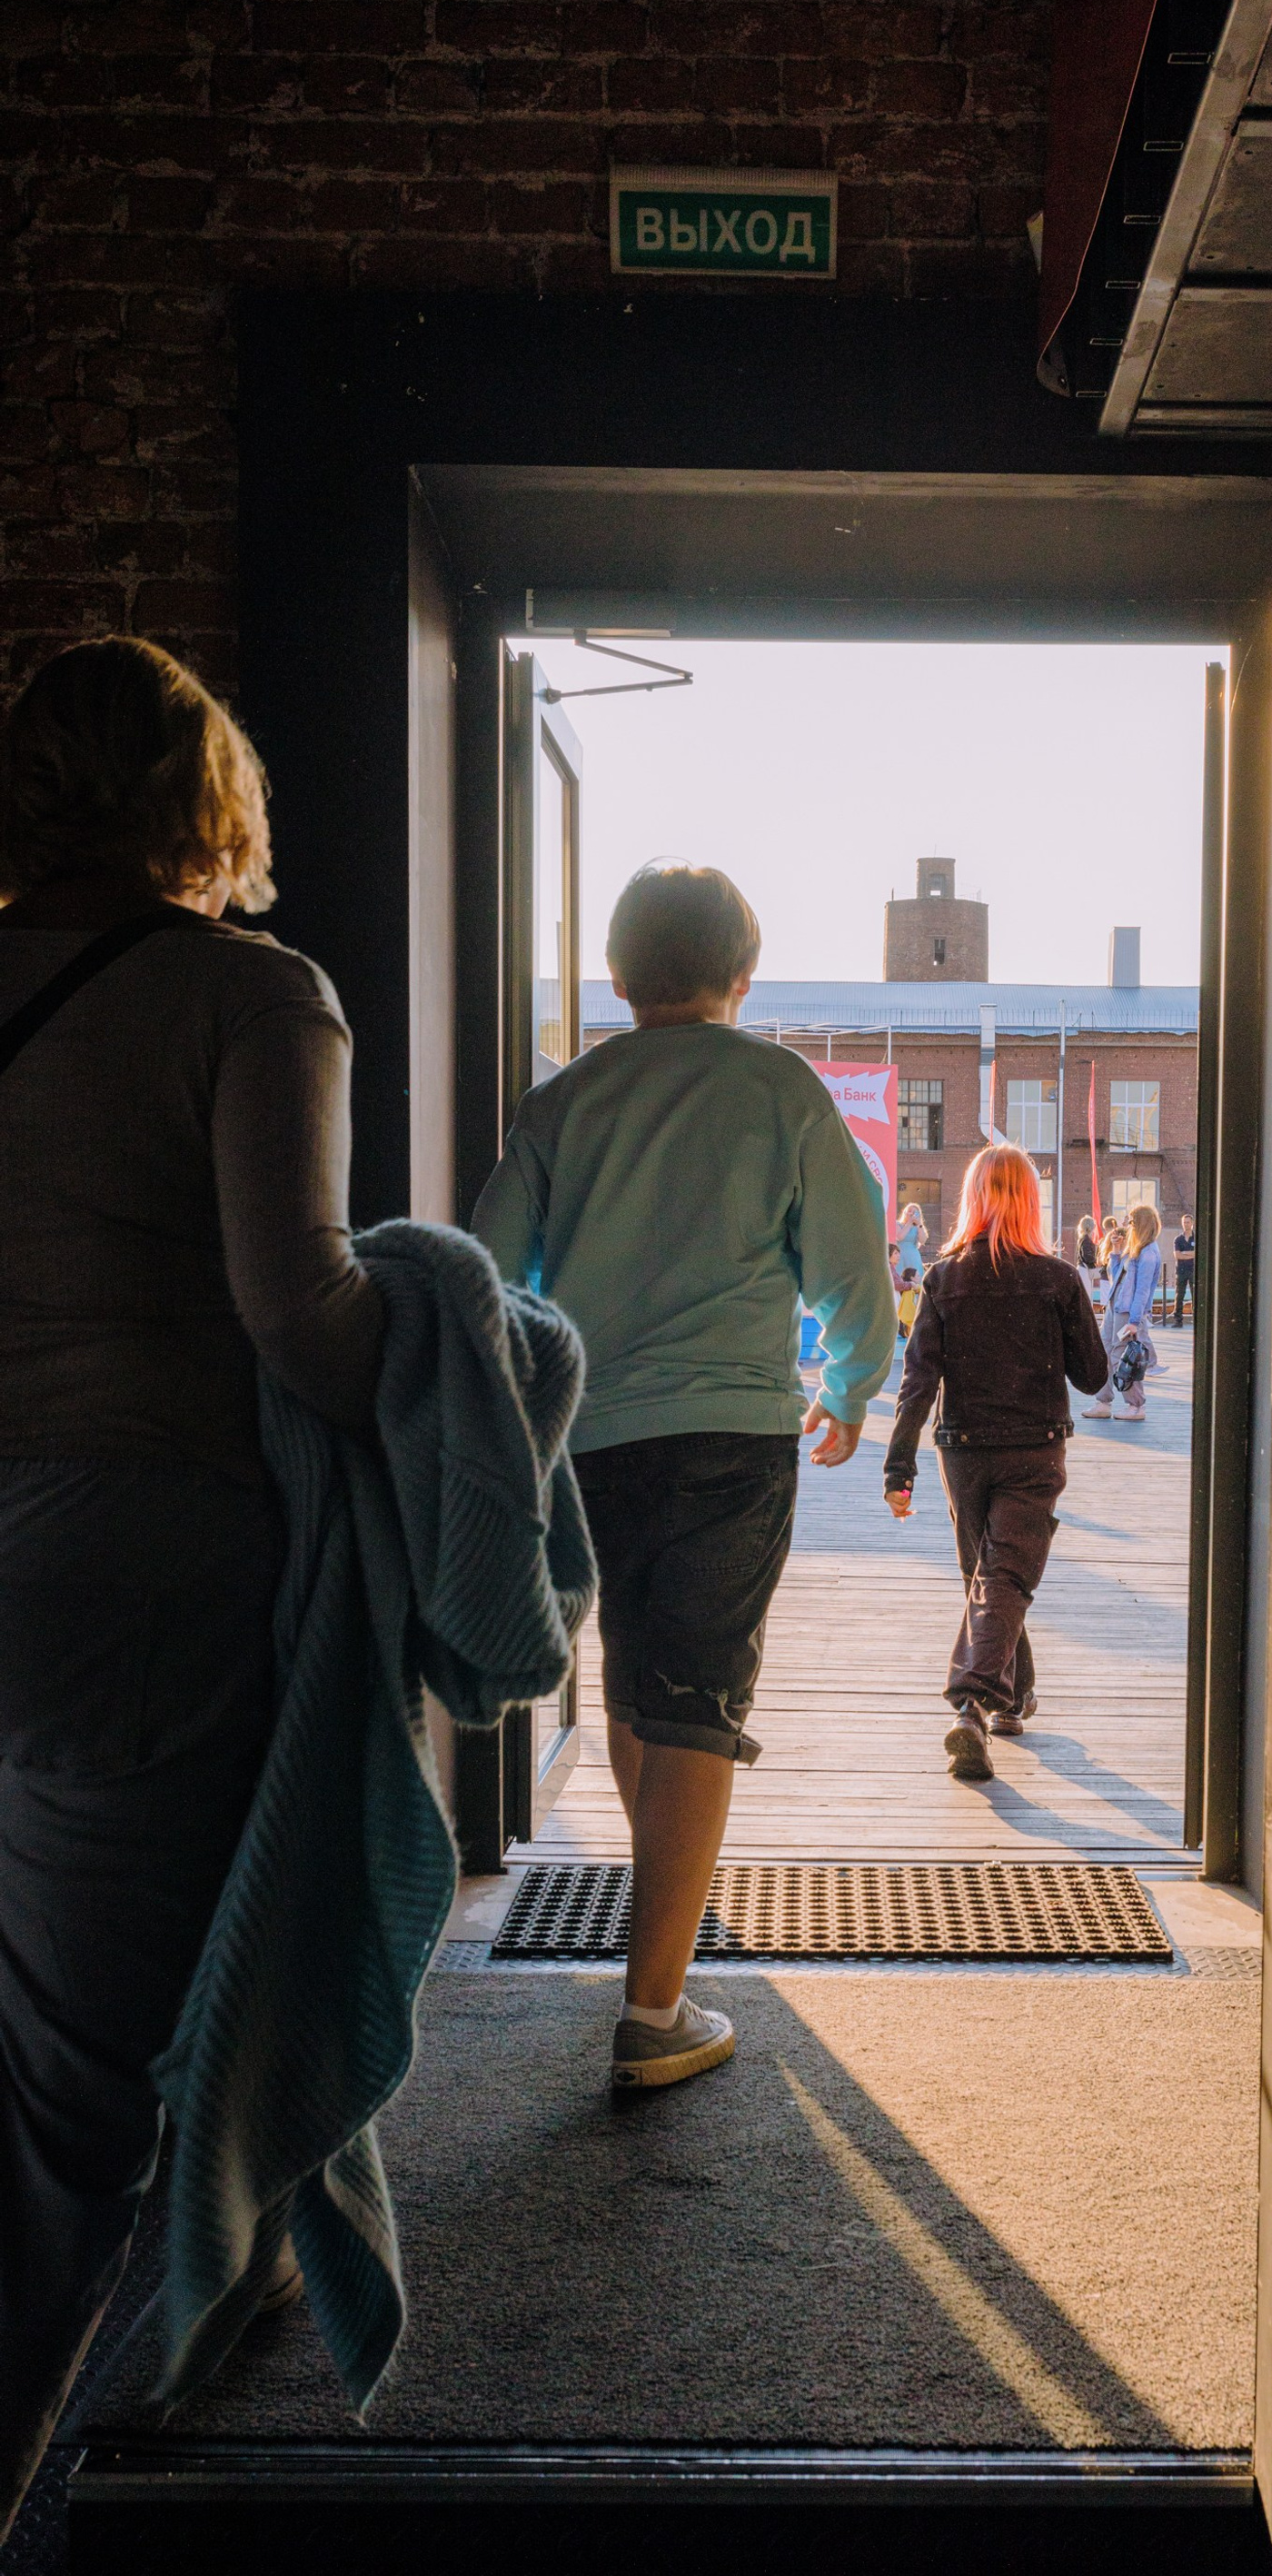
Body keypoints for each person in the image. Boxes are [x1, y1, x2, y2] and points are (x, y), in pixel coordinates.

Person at [0, 637, 383, 2539]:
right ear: (204, 798)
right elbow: (302, 1321)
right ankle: (45, 2475)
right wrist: (470, 1333)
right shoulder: (252, 996)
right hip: (124, 1554)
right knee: (88, 2076)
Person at [474, 863, 894, 2090]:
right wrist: (853, 1387)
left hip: (588, 1434)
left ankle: (661, 1944)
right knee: (697, 1694)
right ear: (740, 975)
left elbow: (485, 1270)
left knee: (630, 1674)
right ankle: (654, 2008)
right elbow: (851, 1272)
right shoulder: (780, 1089)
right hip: (730, 1435)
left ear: (618, 974)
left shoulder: (565, 1104)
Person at [883, 1145, 1106, 1782]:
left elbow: (917, 1383)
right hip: (1034, 1449)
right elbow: (1092, 1378)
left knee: (989, 1575)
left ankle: (1013, 1699)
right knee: (1003, 1576)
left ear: (973, 1198)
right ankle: (972, 1708)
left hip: (964, 1451)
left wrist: (897, 1468)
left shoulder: (944, 1277)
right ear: (1030, 1200)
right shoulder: (1058, 1278)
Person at [1083, 1202, 1164, 1423]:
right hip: (1115, 1308)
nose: (1128, 1225)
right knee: (1104, 1353)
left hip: (1128, 1313)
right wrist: (1116, 1253)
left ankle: (1136, 1405)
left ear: (1141, 1224)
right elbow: (1115, 1275)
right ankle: (1103, 1402)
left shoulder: (1148, 1253)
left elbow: (1143, 1290)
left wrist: (1135, 1321)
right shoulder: (1135, 1249)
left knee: (1124, 1358)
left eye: (1131, 1221)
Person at [895, 1200, 929, 1281]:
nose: (912, 1213)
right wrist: (909, 1222)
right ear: (905, 1212)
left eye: (915, 1212)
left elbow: (923, 1240)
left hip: (913, 1256)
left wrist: (919, 1224)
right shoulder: (898, 1224)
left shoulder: (918, 1227)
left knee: (915, 1278)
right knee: (900, 1278)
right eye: (910, 1211)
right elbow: (899, 1237)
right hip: (900, 1255)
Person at [1172, 1213, 1197, 1326]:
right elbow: (1177, 1255)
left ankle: (1196, 1319)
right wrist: (1191, 1254)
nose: (1186, 1224)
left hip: (1193, 1270)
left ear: (1192, 1223)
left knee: (1195, 1295)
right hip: (1181, 1270)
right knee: (1179, 1295)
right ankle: (1178, 1320)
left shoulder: (1197, 1238)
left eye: (1188, 1222)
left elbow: (1199, 1253)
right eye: (1184, 1222)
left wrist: (1185, 1252)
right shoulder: (1178, 1239)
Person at [897, 1266, 920, 1340]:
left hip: (909, 1327)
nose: (920, 1277)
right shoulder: (909, 1292)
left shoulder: (915, 1291)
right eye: (918, 1276)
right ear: (912, 1278)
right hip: (908, 1328)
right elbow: (907, 1314)